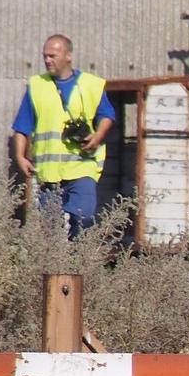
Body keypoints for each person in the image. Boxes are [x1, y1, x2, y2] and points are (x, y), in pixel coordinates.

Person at [11, 34, 114, 240]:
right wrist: (20, 156)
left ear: (68, 56)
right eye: (45, 56)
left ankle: (77, 261)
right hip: (49, 173)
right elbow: (22, 127)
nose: (48, 60)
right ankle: (56, 267)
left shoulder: (91, 85)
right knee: (50, 230)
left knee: (84, 217)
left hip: (82, 166)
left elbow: (107, 115)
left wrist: (98, 135)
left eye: (53, 55)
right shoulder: (37, 86)